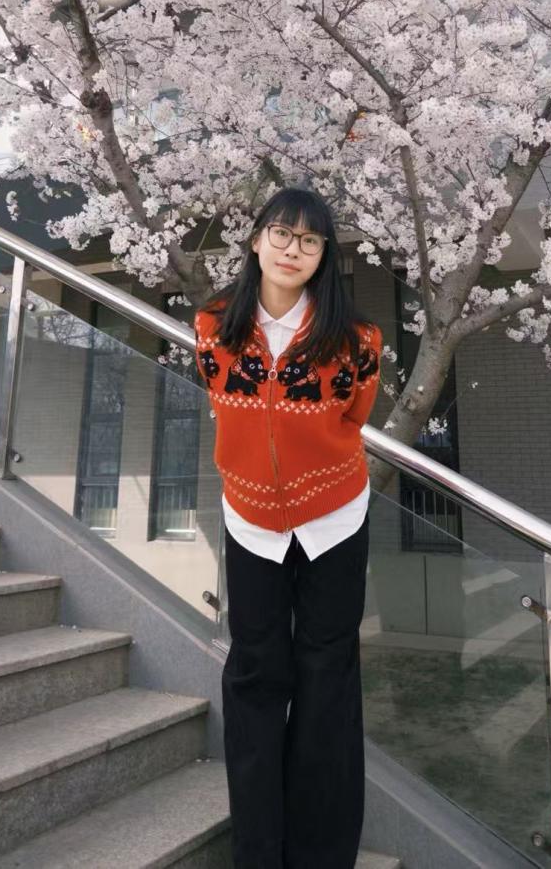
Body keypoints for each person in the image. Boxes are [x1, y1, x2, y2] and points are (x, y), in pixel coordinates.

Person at [193, 186, 383, 869]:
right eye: (281, 233)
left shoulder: (357, 339)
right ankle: (258, 851)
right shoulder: (213, 326)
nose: (292, 248)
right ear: (255, 241)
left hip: (334, 519)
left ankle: (321, 855)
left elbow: (354, 417)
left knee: (327, 678)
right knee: (254, 674)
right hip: (250, 522)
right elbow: (223, 405)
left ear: (323, 254)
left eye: (309, 239)